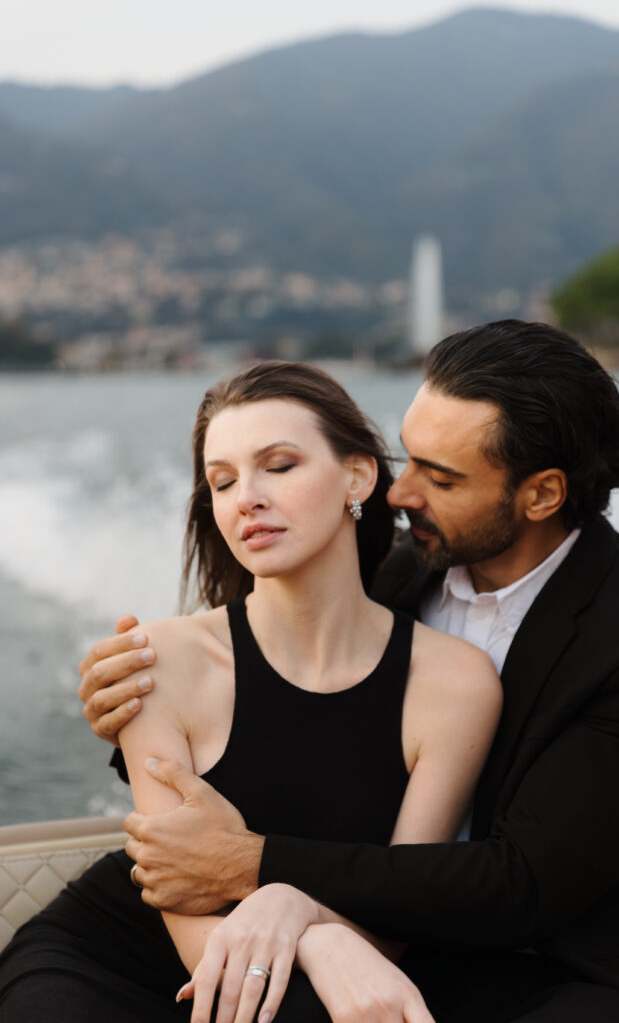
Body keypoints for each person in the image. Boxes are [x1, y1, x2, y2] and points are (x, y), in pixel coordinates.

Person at [78, 320, 619, 1023]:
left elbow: (524, 885)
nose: (401, 495)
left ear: (541, 495)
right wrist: (131, 707)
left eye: (441, 476)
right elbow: (266, 695)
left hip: (561, 963)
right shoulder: (400, 564)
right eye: (410, 459)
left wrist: (260, 867)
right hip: (359, 930)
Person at [0, 361, 502, 1023]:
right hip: (119, 958)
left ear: (357, 476)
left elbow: (404, 906)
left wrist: (313, 925)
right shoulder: (160, 659)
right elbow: (189, 925)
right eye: (222, 481)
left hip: (315, 970)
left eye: (280, 465)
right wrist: (320, 940)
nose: (247, 498)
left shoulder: (454, 681)